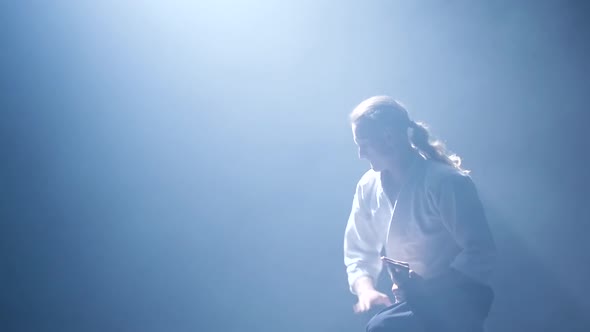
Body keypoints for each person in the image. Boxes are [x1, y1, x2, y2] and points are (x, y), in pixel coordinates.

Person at [343, 96, 496, 332]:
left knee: (382, 327)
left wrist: (431, 287)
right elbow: (359, 248)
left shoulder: (446, 182)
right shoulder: (367, 186)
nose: (360, 154)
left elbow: (480, 251)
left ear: (389, 137)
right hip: (413, 302)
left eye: (363, 143)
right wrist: (366, 289)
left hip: (457, 302)